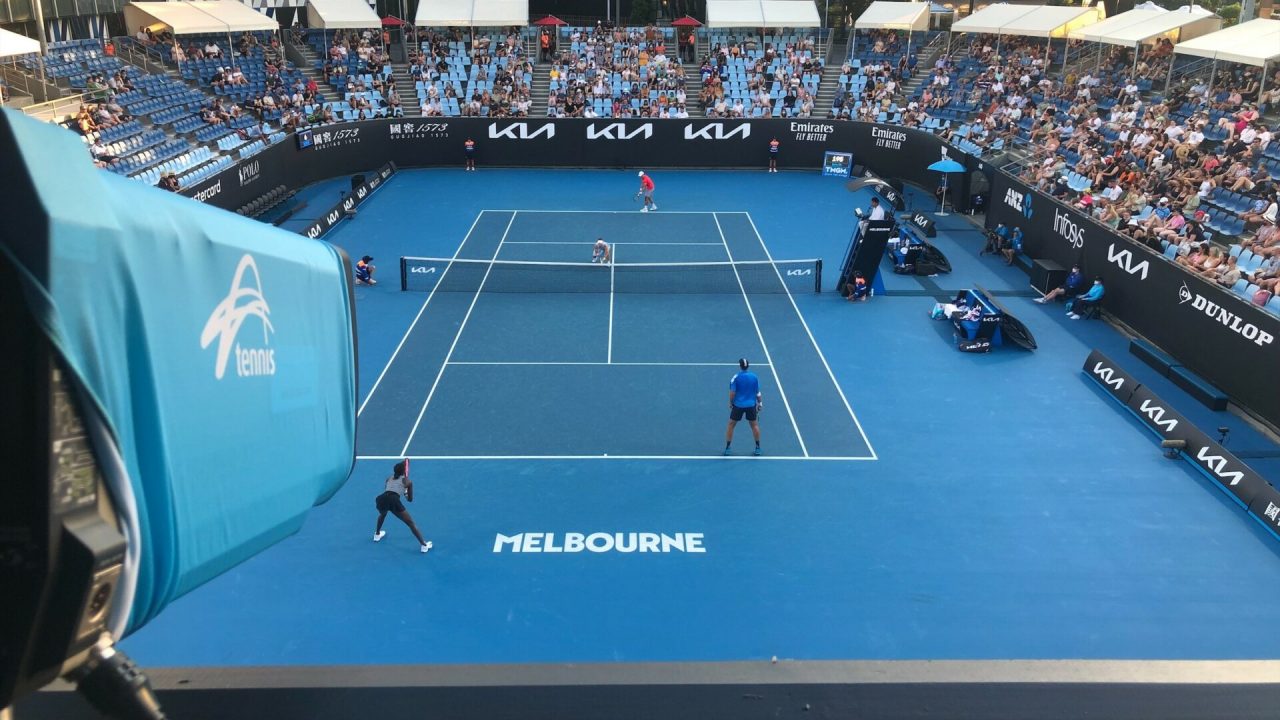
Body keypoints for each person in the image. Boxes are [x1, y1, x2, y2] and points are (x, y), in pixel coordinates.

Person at [373, 460, 431, 554]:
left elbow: (389, 489)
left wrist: (405, 462)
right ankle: (424, 545)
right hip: (393, 500)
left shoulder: (388, 478)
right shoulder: (408, 482)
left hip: (382, 499)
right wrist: (406, 493)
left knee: (383, 514)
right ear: (404, 471)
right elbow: (410, 500)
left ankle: (377, 534)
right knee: (411, 523)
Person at [724, 358, 762, 456]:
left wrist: (730, 402)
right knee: (754, 425)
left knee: (731, 425)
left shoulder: (736, 378)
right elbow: (757, 392)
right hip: (751, 405)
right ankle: (758, 448)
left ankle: (728, 448)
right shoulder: (754, 377)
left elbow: (732, 393)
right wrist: (760, 403)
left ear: (740, 366)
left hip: (738, 405)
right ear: (748, 366)